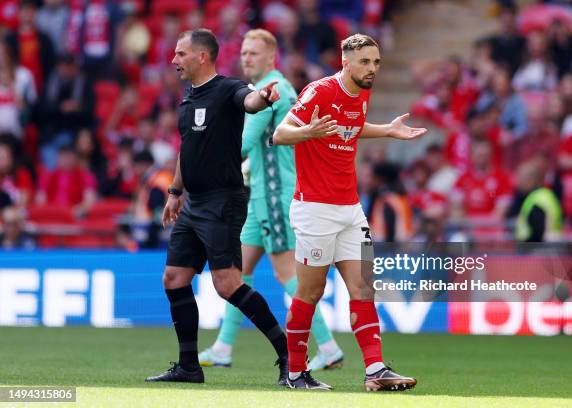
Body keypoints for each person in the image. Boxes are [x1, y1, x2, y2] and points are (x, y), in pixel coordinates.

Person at [273, 33, 426, 391]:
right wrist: (307, 131)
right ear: (345, 62)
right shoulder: (320, 91)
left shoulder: (363, 93)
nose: (372, 69)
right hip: (315, 209)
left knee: (363, 288)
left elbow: (350, 129)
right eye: (365, 62)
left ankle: (375, 371)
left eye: (376, 62)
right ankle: (295, 374)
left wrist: (386, 131)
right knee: (309, 294)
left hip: (350, 209)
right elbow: (281, 134)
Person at [145, 28, 289, 386]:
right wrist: (175, 192)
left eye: (181, 54)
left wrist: (265, 98)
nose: (174, 60)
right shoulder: (188, 98)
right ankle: (188, 367)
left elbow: (249, 101)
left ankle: (289, 356)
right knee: (175, 278)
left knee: (227, 285)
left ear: (202, 56)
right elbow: (187, 148)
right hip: (193, 203)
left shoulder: (227, 88)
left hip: (224, 200)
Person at [197, 29, 344, 371]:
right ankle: (223, 347)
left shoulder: (271, 91)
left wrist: (202, 160)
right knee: (237, 273)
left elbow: (244, 143)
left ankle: (328, 345)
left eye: (253, 53)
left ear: (271, 57)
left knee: (286, 274)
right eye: (244, 52)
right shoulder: (277, 88)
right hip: (263, 194)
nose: (246, 58)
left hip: (275, 197)